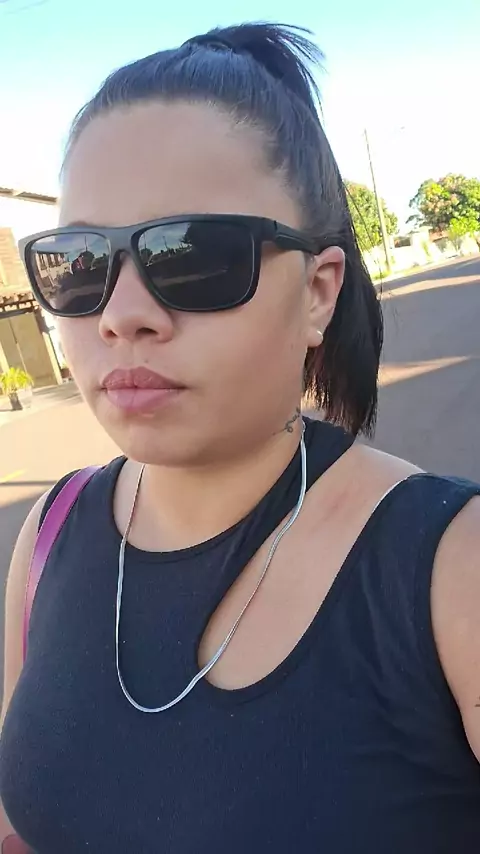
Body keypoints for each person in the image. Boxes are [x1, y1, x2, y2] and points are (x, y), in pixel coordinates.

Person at [0, 22, 479, 854]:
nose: (122, 316)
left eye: (193, 256)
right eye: (78, 264)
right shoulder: (50, 534)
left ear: (319, 292)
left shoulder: (450, 569)